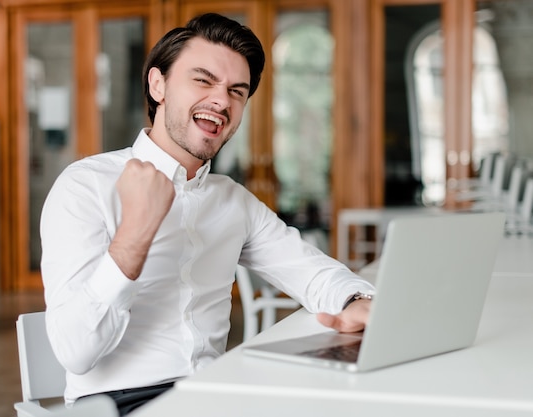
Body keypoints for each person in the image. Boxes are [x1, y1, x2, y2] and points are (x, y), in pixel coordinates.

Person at [40, 12, 375, 416]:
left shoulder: (231, 199)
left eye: (237, 91)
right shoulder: (84, 187)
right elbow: (76, 353)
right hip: (118, 404)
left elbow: (311, 271)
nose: (221, 100)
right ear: (158, 84)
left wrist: (357, 299)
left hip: (213, 393)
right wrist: (134, 235)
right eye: (203, 80)